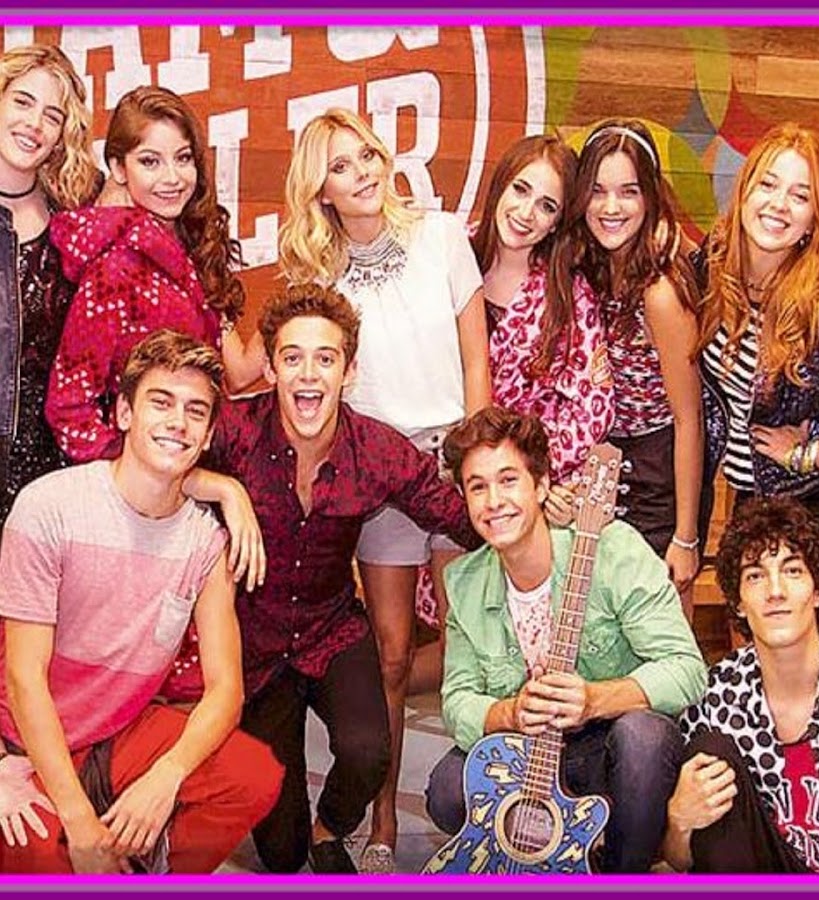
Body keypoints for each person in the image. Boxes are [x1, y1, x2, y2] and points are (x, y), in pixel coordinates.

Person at [191, 282, 481, 875]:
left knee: (368, 752)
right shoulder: (235, 431)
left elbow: (456, 515)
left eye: (325, 359)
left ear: (349, 372)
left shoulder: (375, 450)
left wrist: (534, 516)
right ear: (270, 368)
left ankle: (331, 829)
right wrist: (222, 488)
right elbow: (156, 462)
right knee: (280, 854)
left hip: (331, 629)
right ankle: (298, 831)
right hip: (256, 645)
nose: (308, 374)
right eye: (292, 357)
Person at [279, 107, 491, 872]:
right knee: (394, 656)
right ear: (321, 190)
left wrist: (474, 458)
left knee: (476, 649)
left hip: (453, 465)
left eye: (366, 154)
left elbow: (476, 358)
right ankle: (382, 824)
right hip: (378, 476)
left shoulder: (441, 236)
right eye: (340, 166)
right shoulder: (316, 273)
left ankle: (482, 810)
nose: (362, 172)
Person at [0, 329, 283, 873]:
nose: (178, 422)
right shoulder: (49, 509)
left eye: (195, 411)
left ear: (207, 436)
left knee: (251, 775)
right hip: (28, 745)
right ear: (125, 414)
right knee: (44, 857)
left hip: (118, 733)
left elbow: (227, 690)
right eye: (161, 402)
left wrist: (166, 776)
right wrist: (78, 819)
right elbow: (24, 678)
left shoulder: (206, 542)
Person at [425, 406, 706, 873]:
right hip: (530, 751)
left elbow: (687, 669)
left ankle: (624, 869)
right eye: (478, 487)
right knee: (448, 788)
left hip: (608, 746)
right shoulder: (465, 583)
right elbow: (457, 701)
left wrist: (594, 699)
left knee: (645, 738)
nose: (494, 501)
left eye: (508, 480)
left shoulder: (613, 551)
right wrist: (509, 712)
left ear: (541, 486)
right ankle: (548, 853)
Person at [696, 122, 819, 633]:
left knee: (808, 666)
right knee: (751, 656)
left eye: (800, 195)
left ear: (813, 219)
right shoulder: (714, 270)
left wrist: (807, 454)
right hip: (753, 500)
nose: (779, 204)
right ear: (743, 192)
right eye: (768, 184)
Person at [663, 496, 819, 874]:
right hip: (765, 875)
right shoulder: (715, 699)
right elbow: (681, 861)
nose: (775, 591)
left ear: (818, 591)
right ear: (738, 602)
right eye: (755, 576)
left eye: (792, 571)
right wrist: (679, 821)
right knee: (711, 751)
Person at [46, 84, 263, 465]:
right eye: (150, 162)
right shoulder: (114, 269)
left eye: (183, 158)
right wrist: (136, 473)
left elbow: (238, 374)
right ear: (118, 168)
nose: (172, 177)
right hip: (148, 480)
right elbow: (69, 409)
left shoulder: (190, 247)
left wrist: (304, 281)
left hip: (193, 461)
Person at [551, 118, 704, 613]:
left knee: (657, 624)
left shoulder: (659, 292)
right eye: (597, 191)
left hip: (658, 472)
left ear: (650, 197)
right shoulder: (590, 267)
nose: (611, 207)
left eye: (628, 192)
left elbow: (688, 420)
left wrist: (685, 535)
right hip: (602, 462)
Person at [472, 132, 614, 501]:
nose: (526, 213)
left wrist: (530, 472)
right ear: (500, 185)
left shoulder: (568, 294)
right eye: (520, 190)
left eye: (546, 206)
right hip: (441, 470)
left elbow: (593, 410)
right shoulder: (451, 255)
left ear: (557, 223)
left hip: (526, 490)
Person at [0, 43, 100, 534]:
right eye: (22, 101)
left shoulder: (77, 223)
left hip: (48, 479)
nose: (34, 124)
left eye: (52, 115)